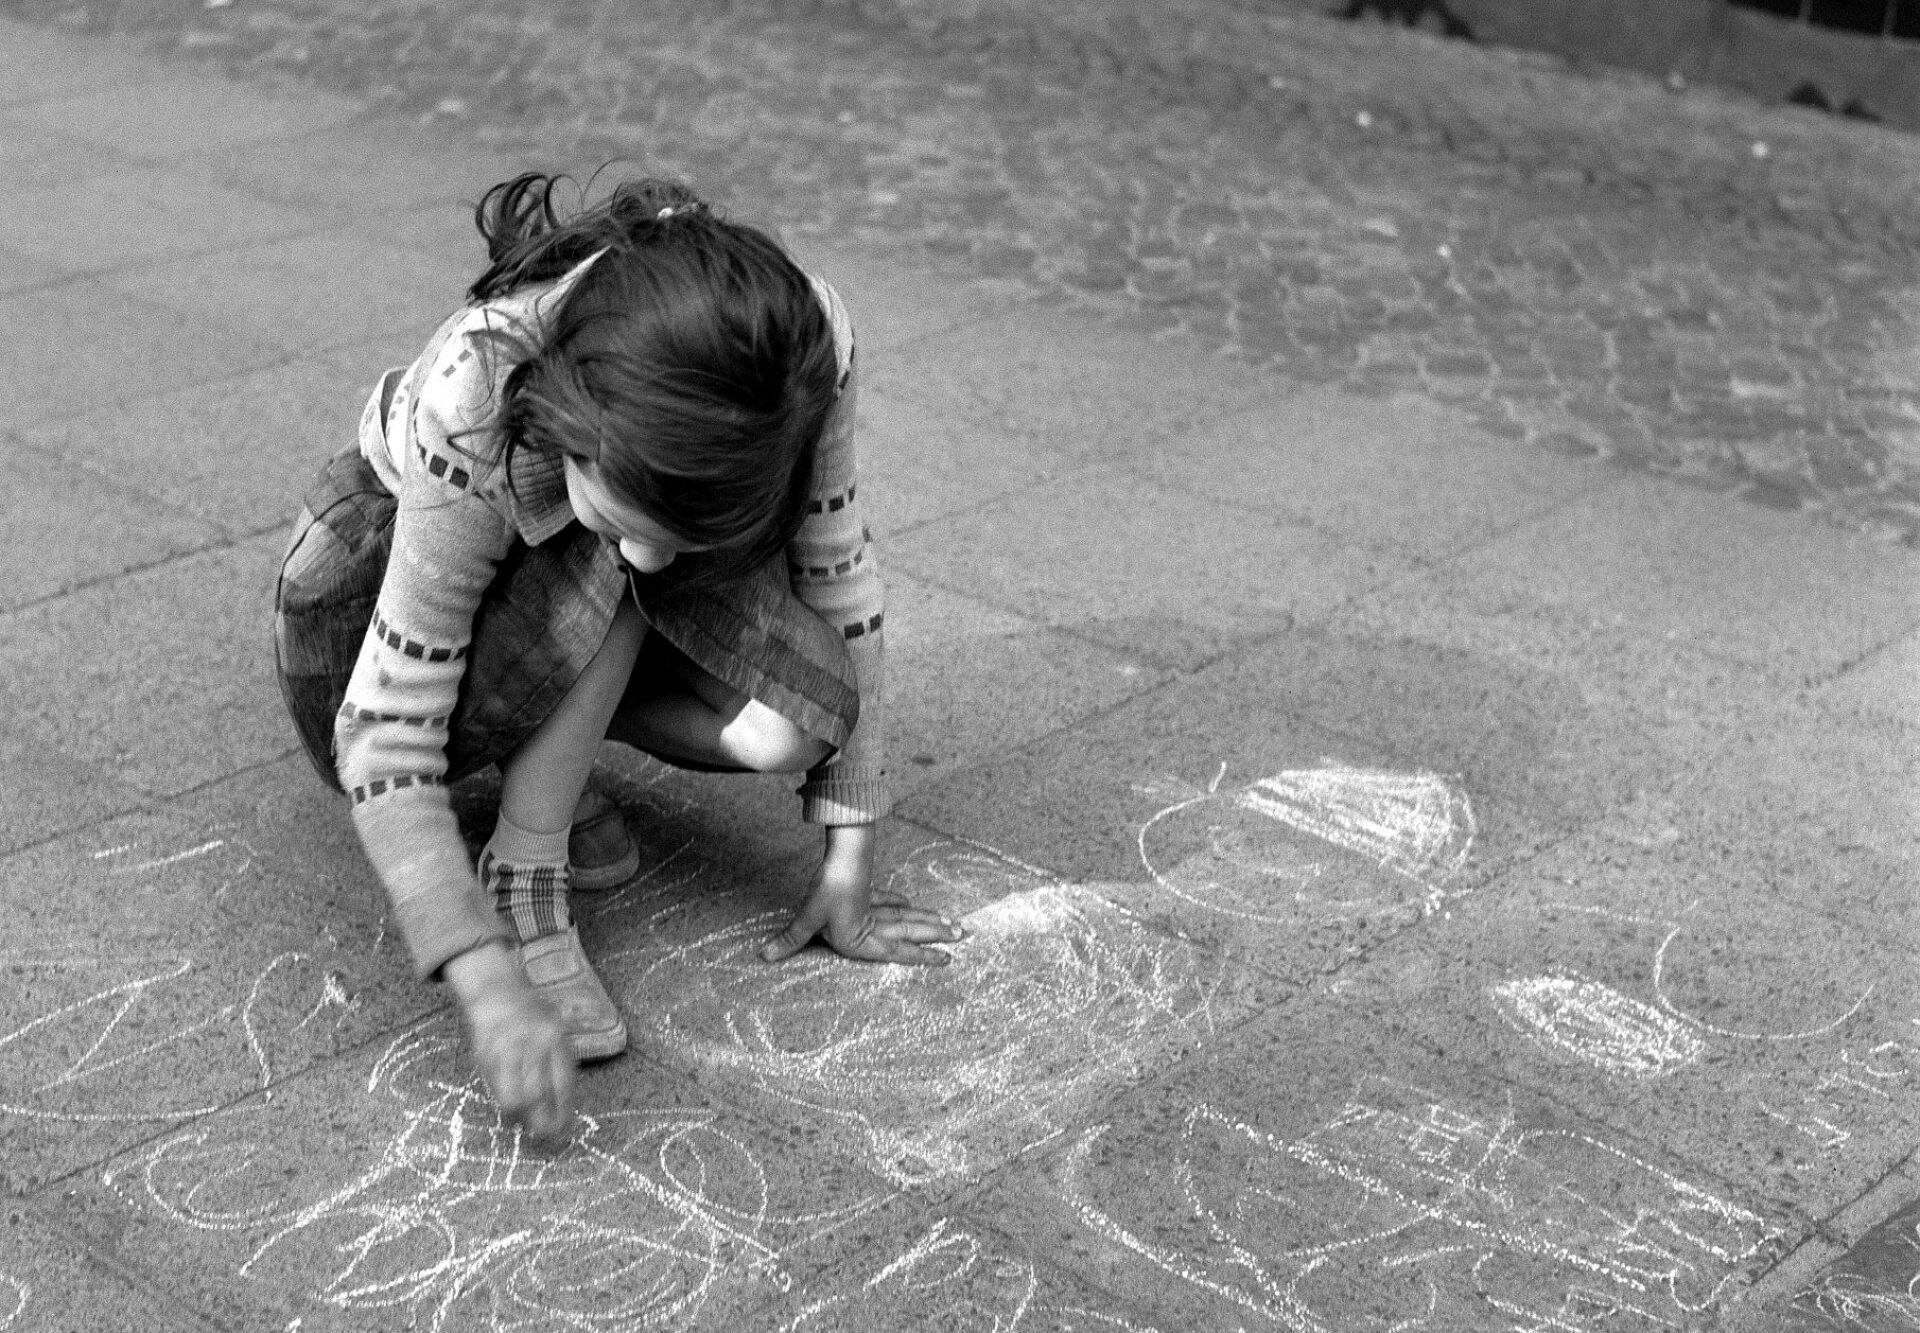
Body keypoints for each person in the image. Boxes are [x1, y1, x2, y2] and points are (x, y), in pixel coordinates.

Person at [274, 171, 964, 1142]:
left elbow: (840, 581)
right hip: (359, 587)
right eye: (635, 516)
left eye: (677, 537)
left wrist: (849, 862)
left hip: (560, 569)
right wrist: (487, 982)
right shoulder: (479, 399)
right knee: (607, 567)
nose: (654, 558)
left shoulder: (800, 349)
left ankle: (552, 740)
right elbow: (385, 734)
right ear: (569, 425)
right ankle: (527, 873)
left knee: (798, 722)